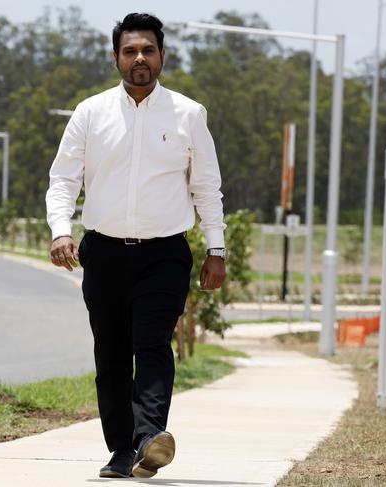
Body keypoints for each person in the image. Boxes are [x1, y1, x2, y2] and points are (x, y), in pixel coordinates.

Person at [45, 12, 227, 479]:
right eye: (130, 51)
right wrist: (60, 230)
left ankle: (149, 436)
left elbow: (206, 186)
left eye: (148, 49)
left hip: (164, 253)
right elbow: (63, 178)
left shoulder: (188, 113)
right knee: (110, 354)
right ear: (116, 59)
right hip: (103, 252)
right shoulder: (90, 113)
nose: (140, 58)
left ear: (162, 56)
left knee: (151, 344)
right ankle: (122, 450)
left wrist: (216, 248)